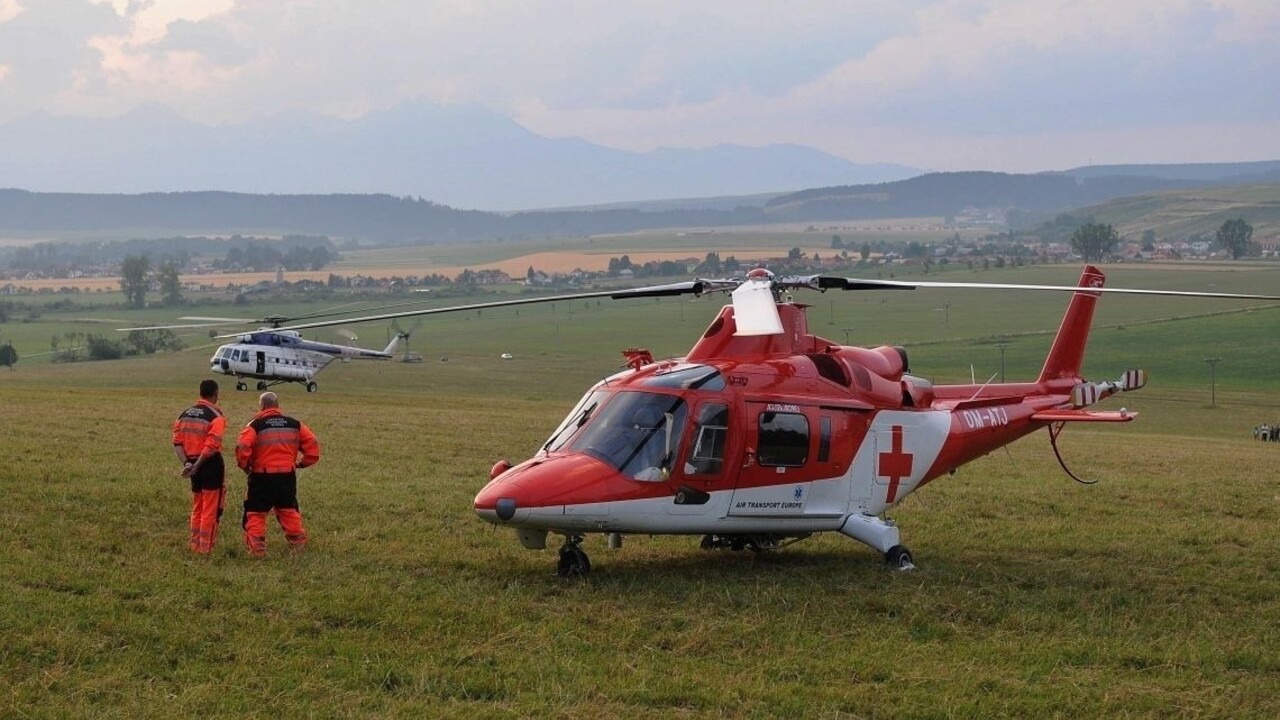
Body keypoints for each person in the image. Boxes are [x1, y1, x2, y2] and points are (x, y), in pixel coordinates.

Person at [235, 391, 320, 557]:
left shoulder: (255, 425)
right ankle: (298, 543)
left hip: (261, 477)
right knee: (288, 510)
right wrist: (301, 464)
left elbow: (242, 447)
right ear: (277, 405)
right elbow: (313, 447)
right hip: (287, 477)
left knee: (255, 512)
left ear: (262, 406)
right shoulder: (295, 424)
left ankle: (258, 549)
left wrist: (245, 467)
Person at [172, 379, 227, 554]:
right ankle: (206, 548)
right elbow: (211, 446)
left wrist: (188, 463)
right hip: (210, 465)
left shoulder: (184, 414)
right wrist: (198, 464)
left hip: (192, 465)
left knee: (198, 506)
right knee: (210, 508)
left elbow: (177, 442)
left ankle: (195, 544)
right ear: (216, 394)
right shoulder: (216, 416)